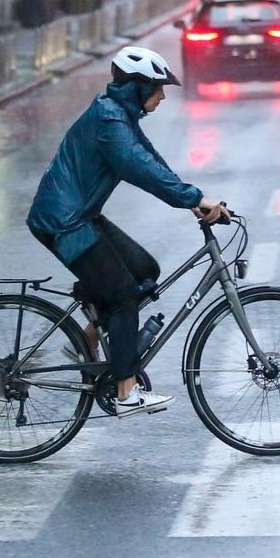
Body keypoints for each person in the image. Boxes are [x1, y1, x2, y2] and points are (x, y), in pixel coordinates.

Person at [27, 45, 228, 415]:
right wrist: (193, 198)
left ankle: (86, 341)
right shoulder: (110, 123)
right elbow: (138, 168)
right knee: (121, 294)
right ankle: (125, 393)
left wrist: (193, 200)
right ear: (137, 86)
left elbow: (152, 161)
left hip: (80, 215)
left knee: (143, 270)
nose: (163, 95)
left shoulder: (121, 116)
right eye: (158, 87)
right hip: (63, 221)